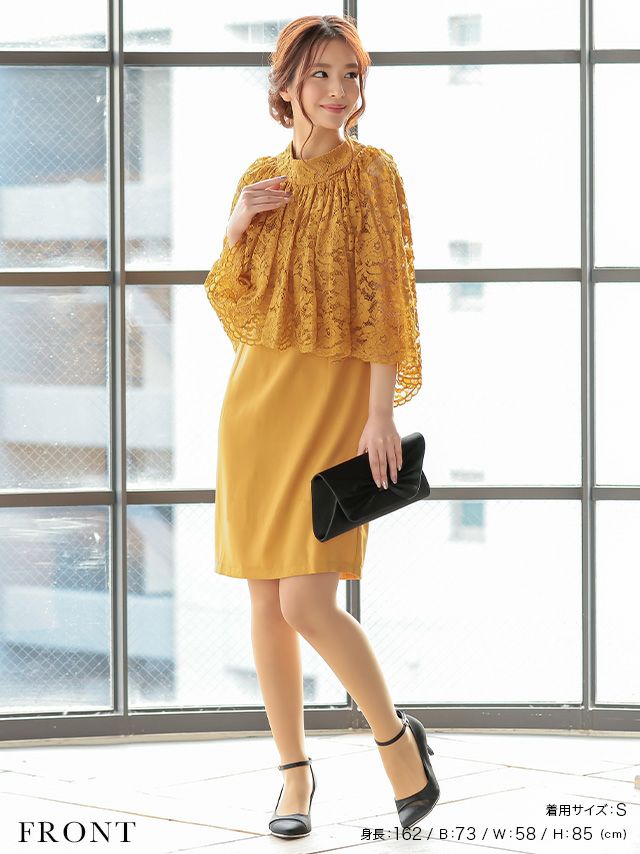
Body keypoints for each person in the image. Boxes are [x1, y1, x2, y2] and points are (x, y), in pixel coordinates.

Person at [204, 13, 439, 839]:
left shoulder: (374, 173)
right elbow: (235, 302)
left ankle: (398, 745)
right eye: (321, 75)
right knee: (267, 604)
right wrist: (237, 224)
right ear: (287, 85)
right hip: (255, 407)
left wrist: (379, 414)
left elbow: (388, 302)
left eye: (350, 74)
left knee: (308, 601)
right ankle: (294, 780)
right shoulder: (259, 177)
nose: (339, 91)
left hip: (337, 405)